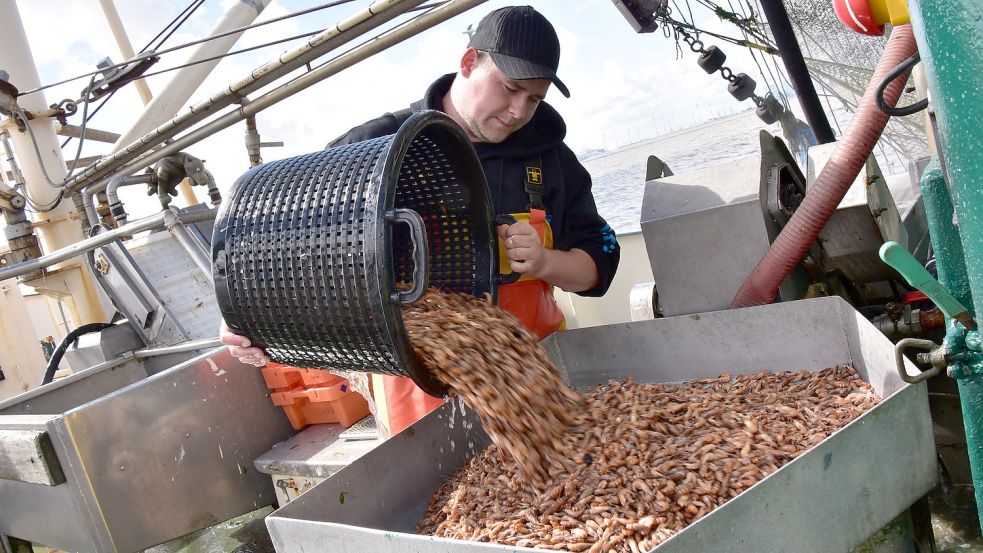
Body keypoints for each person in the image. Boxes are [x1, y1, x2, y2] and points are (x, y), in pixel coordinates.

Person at [221, 5, 620, 435]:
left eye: (535, 99)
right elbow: (274, 243)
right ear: (469, 62)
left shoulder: (551, 158)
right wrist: (243, 312)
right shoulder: (374, 145)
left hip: (533, 380)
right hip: (419, 398)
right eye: (509, 88)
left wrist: (545, 262)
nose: (519, 111)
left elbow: (599, 263)